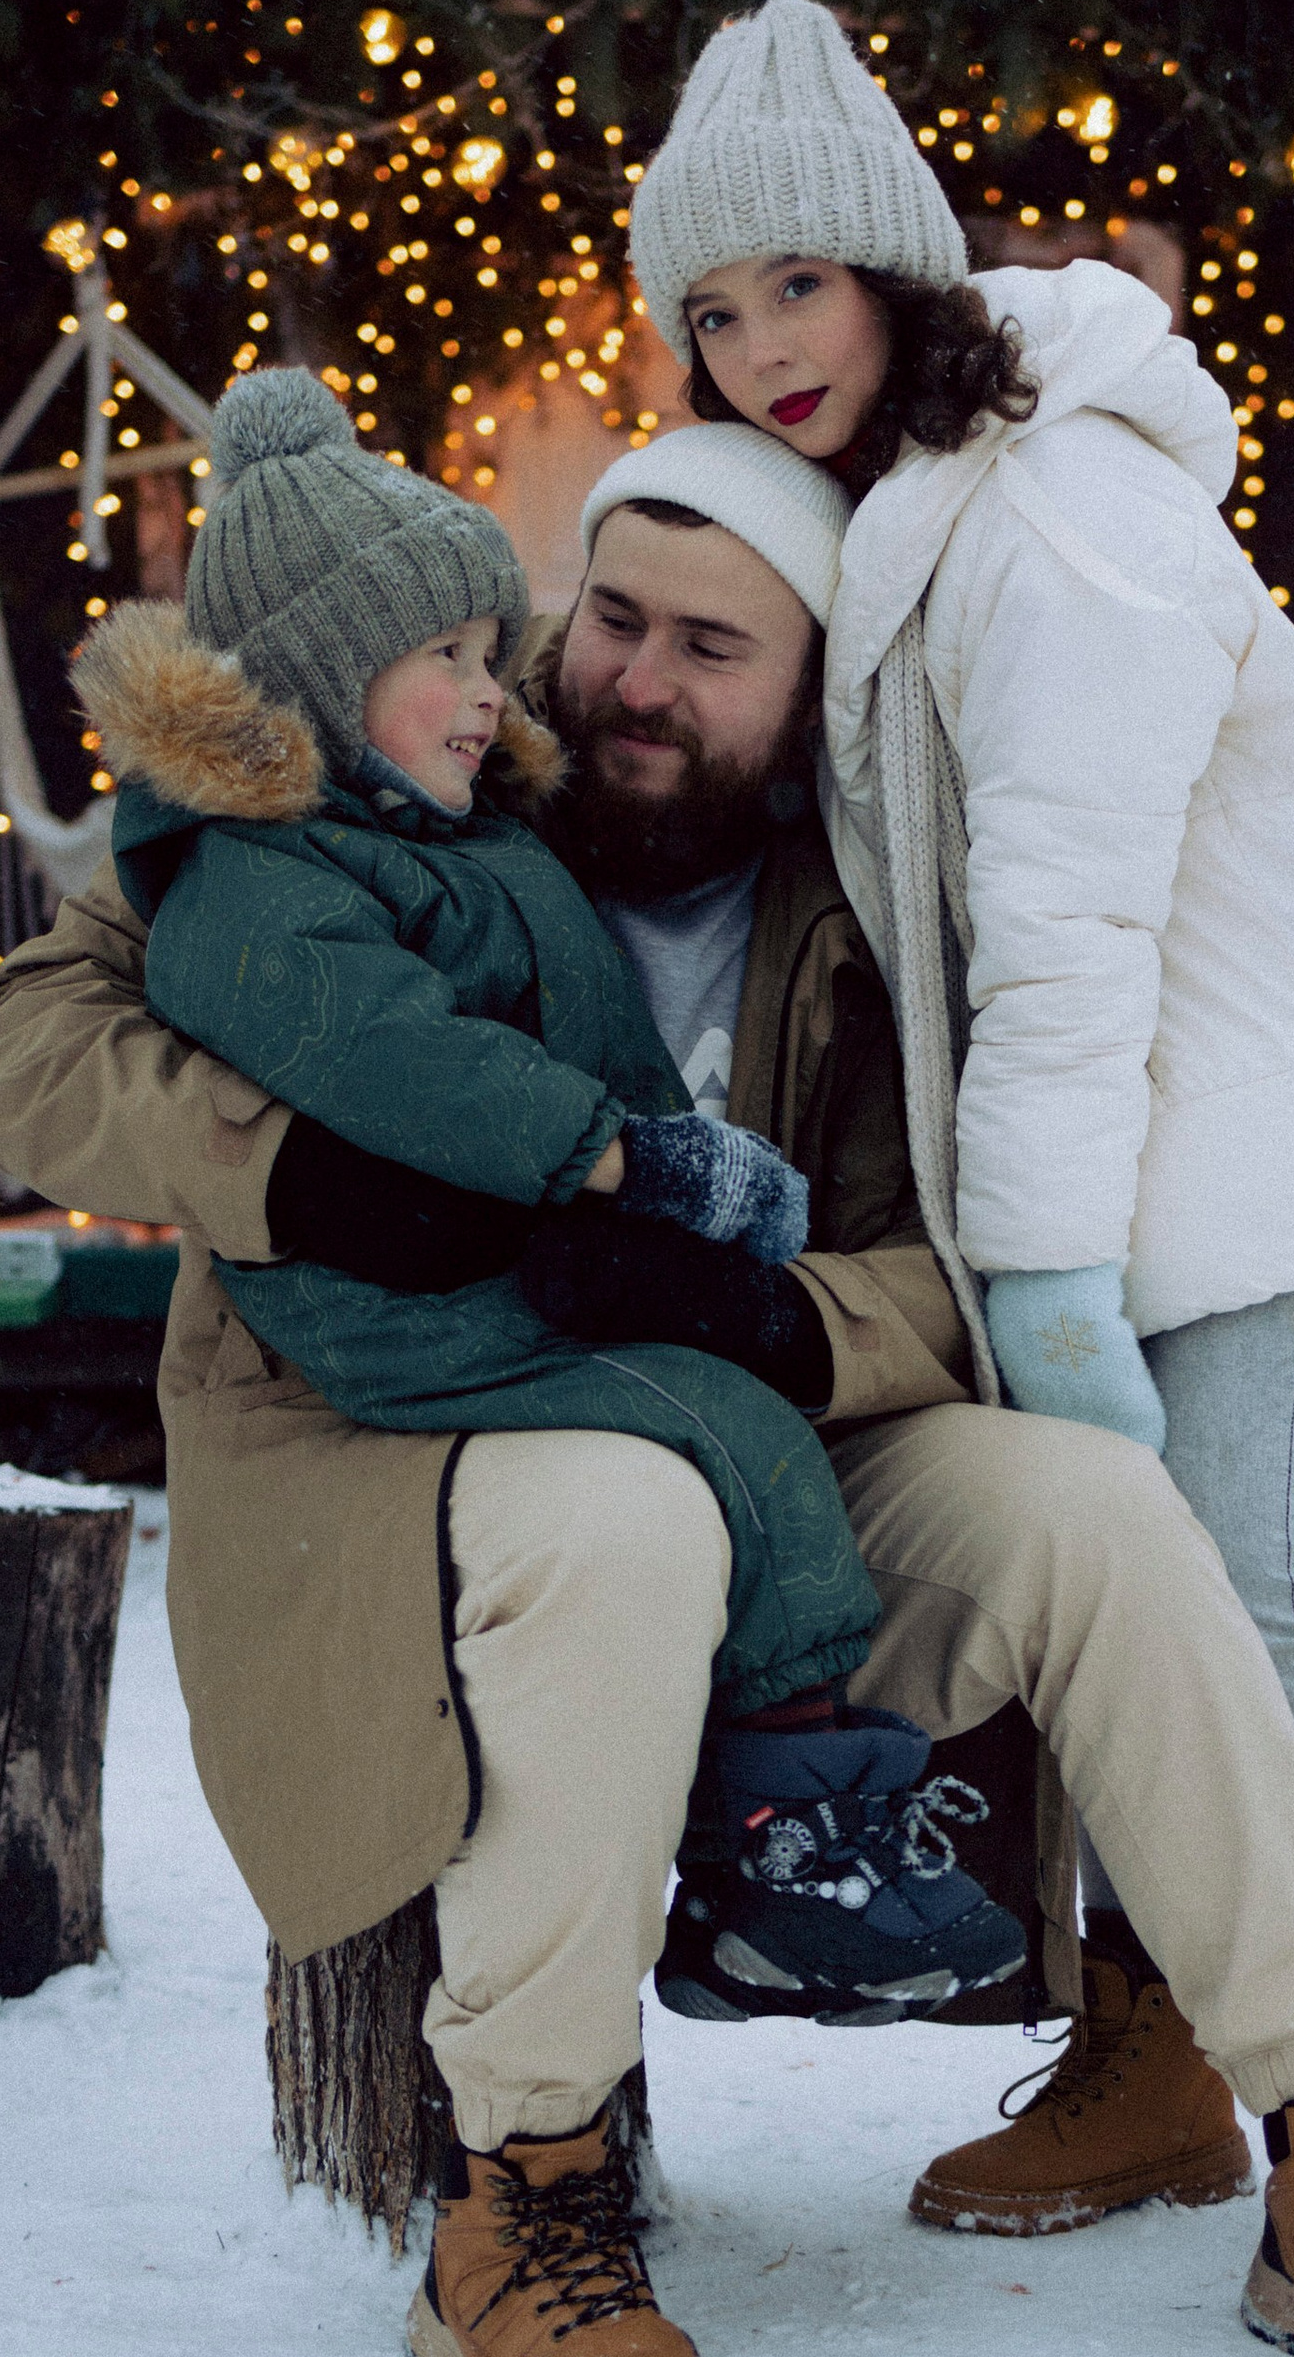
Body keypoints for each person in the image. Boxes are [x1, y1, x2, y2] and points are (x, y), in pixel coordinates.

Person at [0, 452, 1294, 2357]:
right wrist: (315, 1177)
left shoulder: (877, 905)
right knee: (620, 1519)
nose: (631, 680)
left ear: (809, 694)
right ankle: (520, 2193)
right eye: (609, 617)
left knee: (1088, 1513)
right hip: (405, 1439)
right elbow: (13, 1050)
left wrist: (794, 1321)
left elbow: (963, 1270)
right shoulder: (400, 765)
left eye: (712, 650)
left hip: (759, 1419)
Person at [625, 0, 1294, 2291]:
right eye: (706, 314)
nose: (751, 352)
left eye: (789, 288)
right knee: (1151, 1603)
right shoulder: (902, 509)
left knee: (1226, 1600)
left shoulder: (1054, 513)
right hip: (1144, 1130)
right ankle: (1160, 2056)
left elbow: (1064, 936)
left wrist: (1027, 1278)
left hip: (1256, 1120)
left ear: (894, 267)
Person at [78, 366, 1026, 2053]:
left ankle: (821, 1832)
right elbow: (395, 1062)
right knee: (709, 1449)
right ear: (309, 683)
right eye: (454, 656)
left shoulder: (465, 811)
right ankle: (771, 1850)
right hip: (385, 1334)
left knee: (762, 1425)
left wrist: (724, 1263)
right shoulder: (258, 872)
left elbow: (947, 1256)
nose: (502, 686)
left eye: (715, 648)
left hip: (544, 1280)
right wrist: (624, 1166)